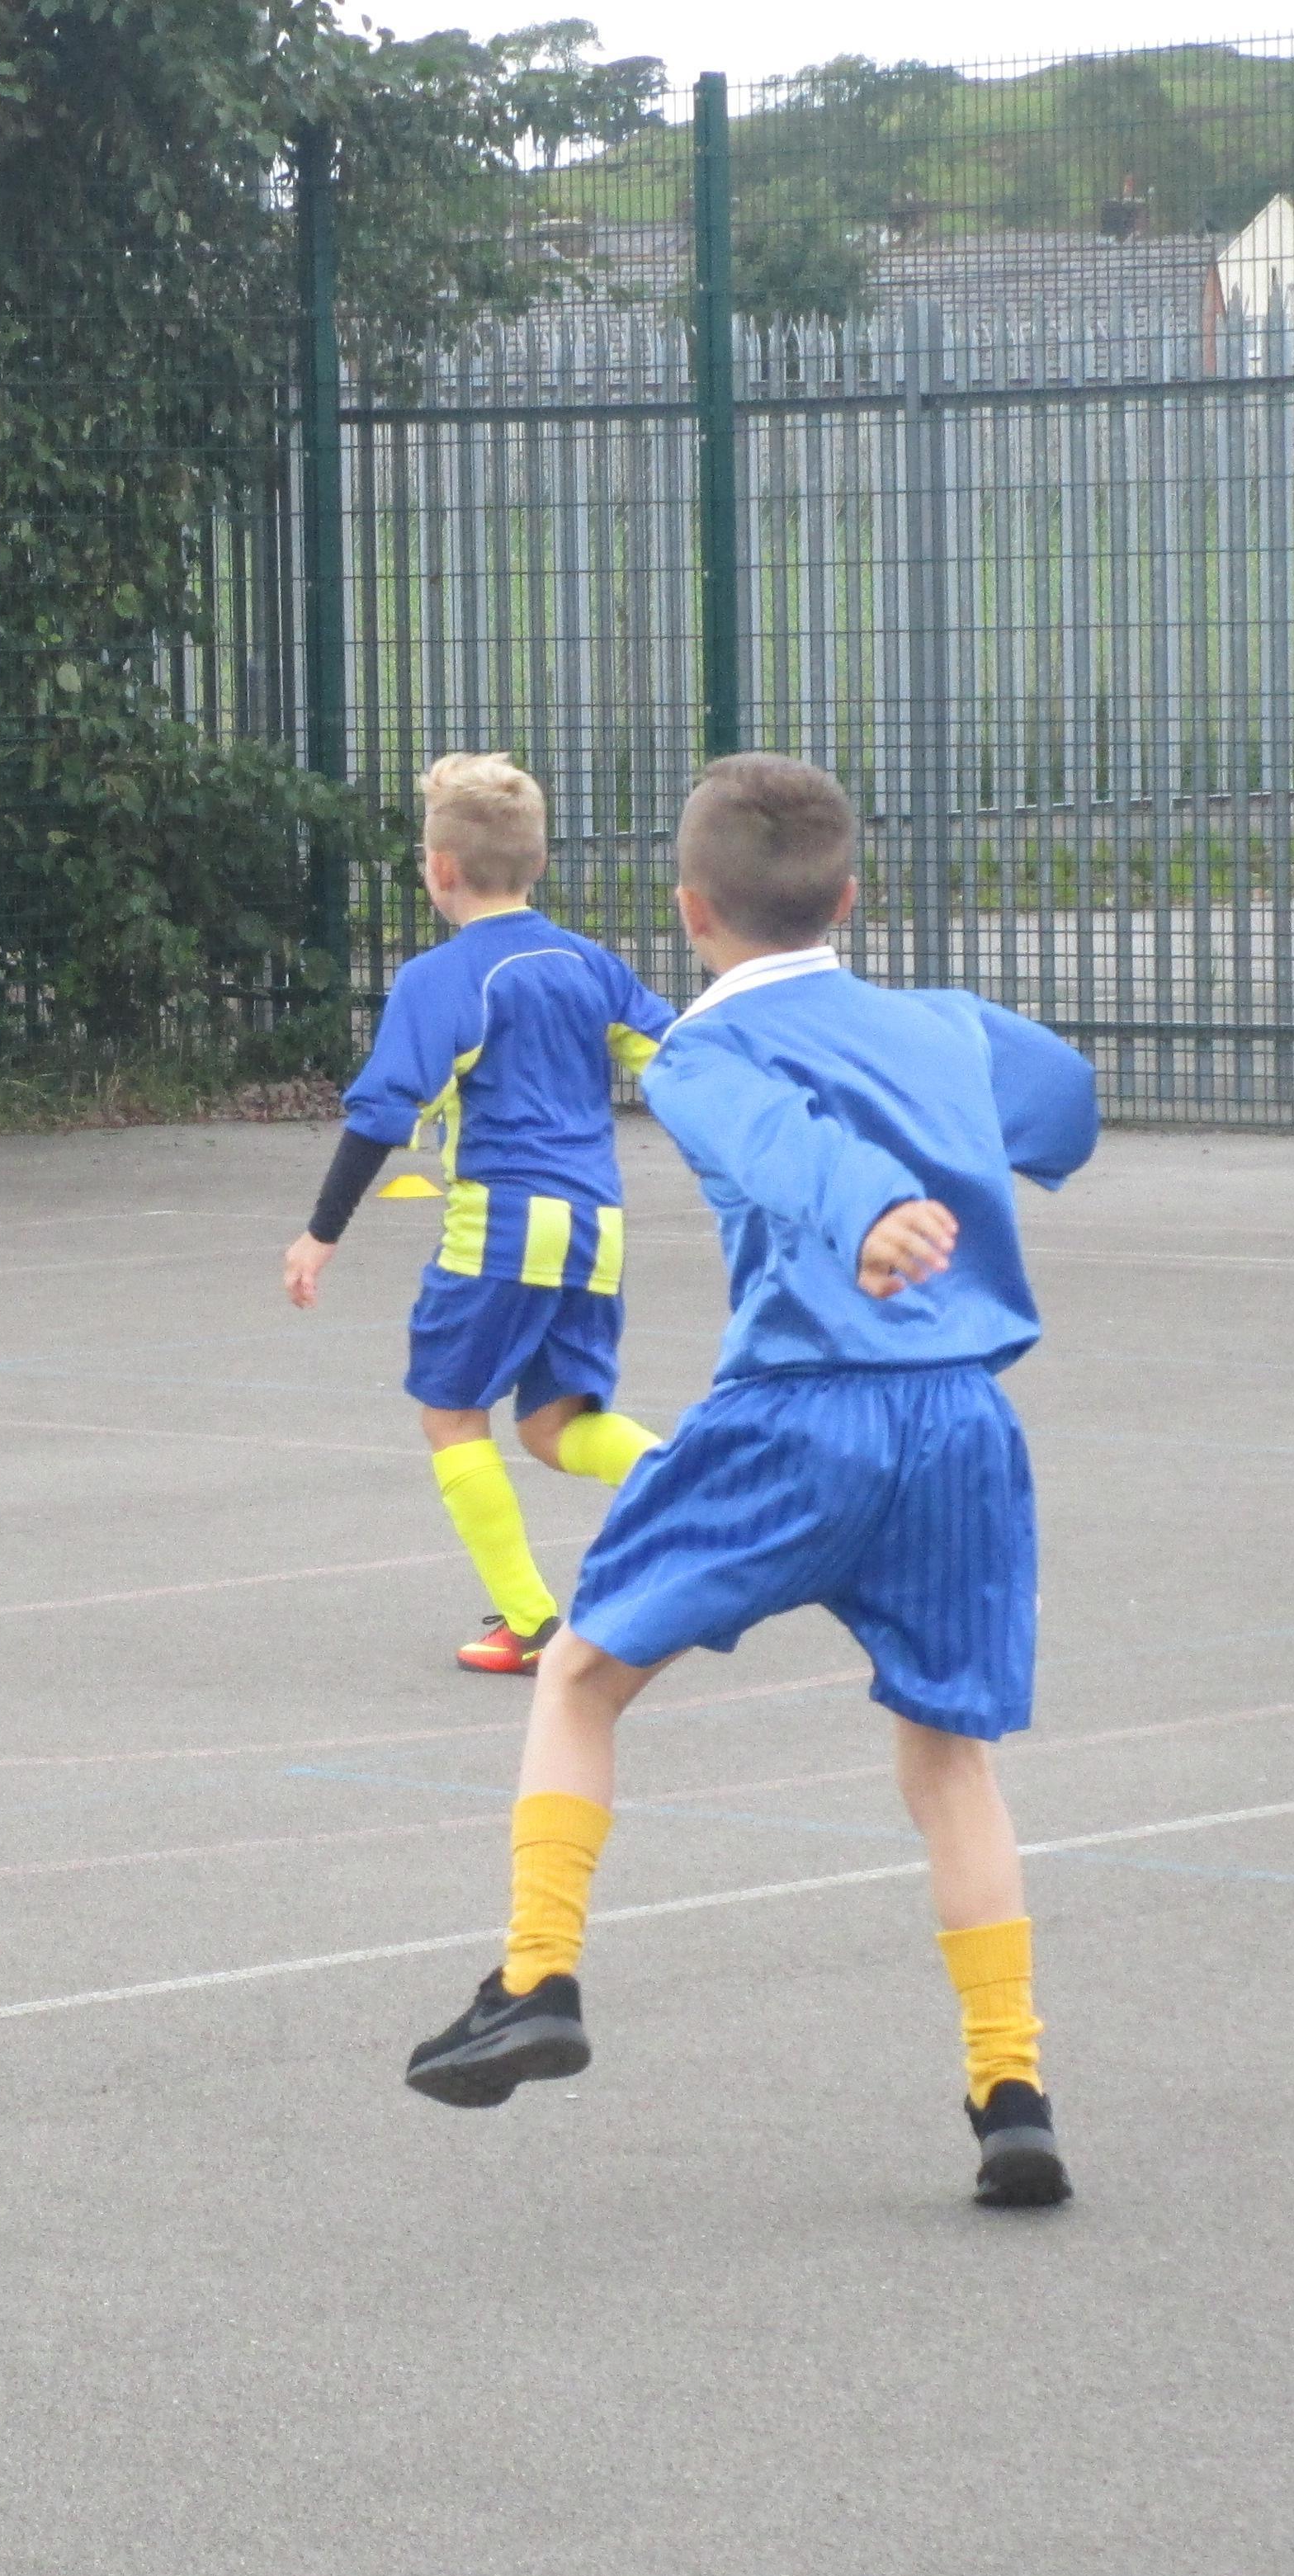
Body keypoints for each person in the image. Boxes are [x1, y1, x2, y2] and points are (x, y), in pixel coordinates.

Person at [401, 754, 1101, 2213]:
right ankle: (1011, 2093)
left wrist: (867, 1203)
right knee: (950, 1760)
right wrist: (932, 1147)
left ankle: (536, 1976)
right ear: (848, 900)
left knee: (579, 1672)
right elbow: (1064, 1104)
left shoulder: (699, 1055)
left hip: (799, 1413)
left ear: (689, 910)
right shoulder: (942, 1023)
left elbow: (779, 1145)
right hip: (961, 1424)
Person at [282, 753, 673, 1673]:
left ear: (440, 868)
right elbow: (681, 1062)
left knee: (452, 1414)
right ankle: (698, 1485)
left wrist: (320, 1232)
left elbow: (383, 1112)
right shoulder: (590, 965)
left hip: (500, 1227)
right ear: (539, 863)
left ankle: (529, 1622)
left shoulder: (442, 978)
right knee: (553, 1427)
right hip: (597, 1227)